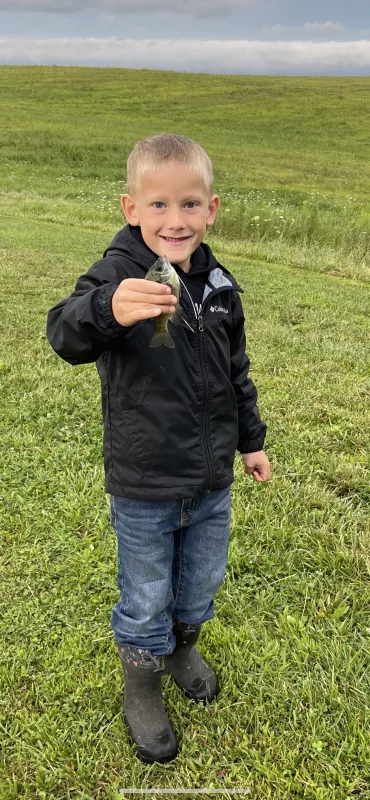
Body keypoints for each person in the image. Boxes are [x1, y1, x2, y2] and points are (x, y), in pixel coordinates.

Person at [46, 133, 271, 765]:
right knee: (146, 593)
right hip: (143, 480)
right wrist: (106, 310)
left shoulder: (218, 283)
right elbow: (65, 331)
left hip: (211, 478)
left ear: (212, 208)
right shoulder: (116, 275)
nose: (176, 220)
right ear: (131, 208)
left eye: (190, 205)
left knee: (200, 584)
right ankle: (141, 682)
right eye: (160, 206)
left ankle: (181, 647)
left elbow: (236, 370)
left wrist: (251, 442)